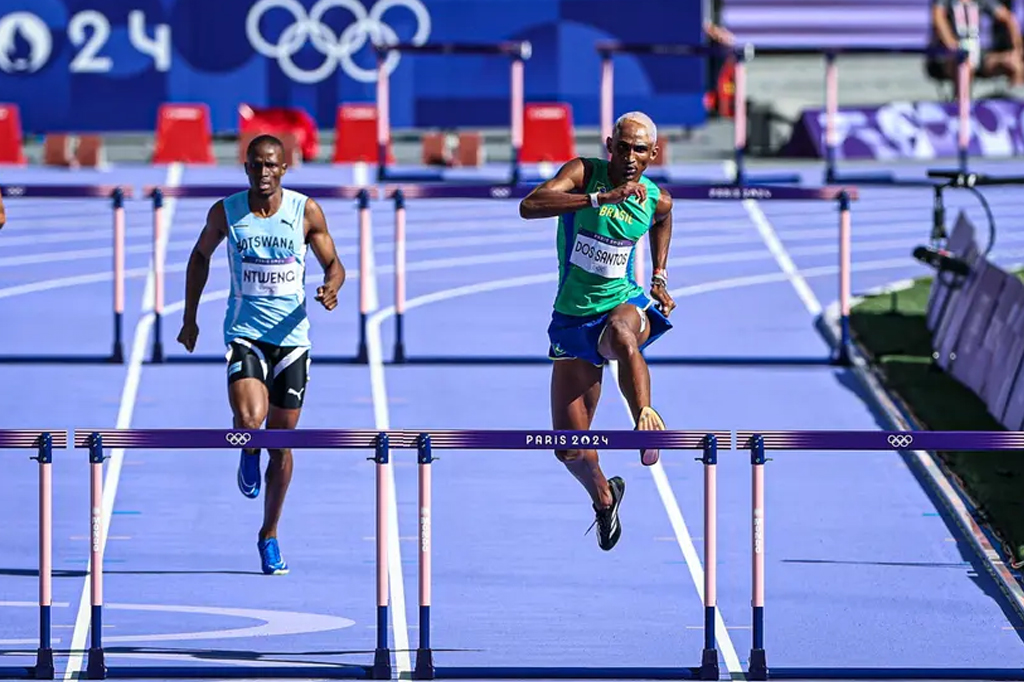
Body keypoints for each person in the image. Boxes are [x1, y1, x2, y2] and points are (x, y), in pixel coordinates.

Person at [176, 134, 345, 575]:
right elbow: (199, 257)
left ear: (284, 169)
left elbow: (334, 262)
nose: (264, 172)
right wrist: (189, 318)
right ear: (246, 167)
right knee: (251, 423)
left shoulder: (304, 211)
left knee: (282, 444)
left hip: (292, 340)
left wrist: (332, 286)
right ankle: (246, 449)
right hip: (246, 334)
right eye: (256, 165)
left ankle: (269, 533)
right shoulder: (226, 211)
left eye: (271, 165)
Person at [518, 112, 676, 552]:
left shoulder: (653, 198)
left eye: (639, 150)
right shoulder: (583, 173)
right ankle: (605, 497)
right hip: (573, 317)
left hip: (622, 304)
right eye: (623, 147)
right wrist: (596, 199)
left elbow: (664, 217)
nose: (630, 157)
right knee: (568, 446)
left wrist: (659, 276)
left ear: (653, 154)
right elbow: (529, 206)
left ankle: (645, 416)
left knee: (624, 335)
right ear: (610, 145)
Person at [927, 0, 1024, 91]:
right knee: (964, 63)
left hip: (976, 52)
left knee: (1014, 64)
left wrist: (1017, 49)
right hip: (947, 57)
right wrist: (950, 42)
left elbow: (1008, 18)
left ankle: (1014, 103)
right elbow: (938, 17)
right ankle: (961, 104)